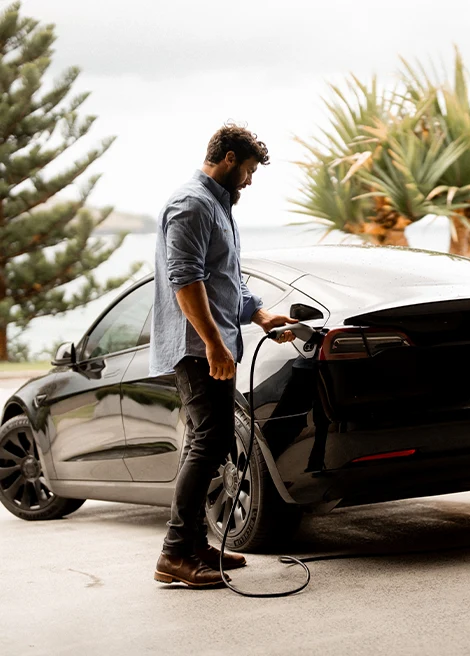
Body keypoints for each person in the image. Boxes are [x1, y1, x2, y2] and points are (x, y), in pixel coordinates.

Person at [149, 124, 297, 588]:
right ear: (229, 159)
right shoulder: (192, 204)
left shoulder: (218, 206)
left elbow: (225, 278)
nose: (250, 181)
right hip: (197, 348)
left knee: (210, 445)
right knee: (208, 443)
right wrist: (213, 343)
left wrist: (259, 315)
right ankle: (174, 553)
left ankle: (194, 546)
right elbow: (185, 281)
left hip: (216, 345)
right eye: (249, 170)